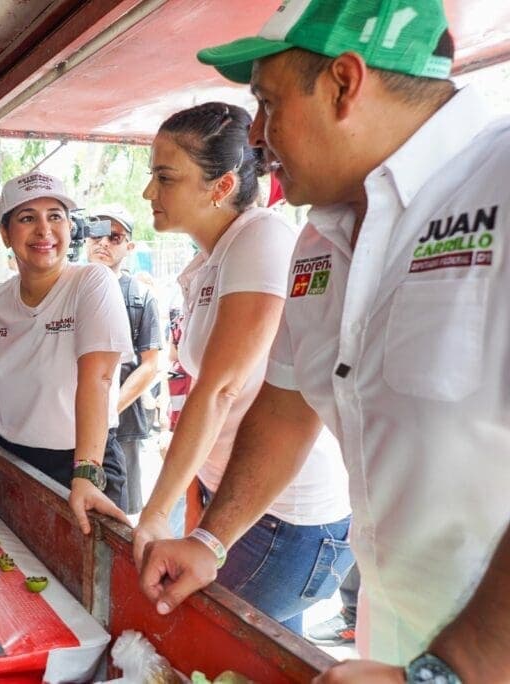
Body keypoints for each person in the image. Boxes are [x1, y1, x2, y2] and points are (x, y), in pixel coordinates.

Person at [138, 2, 510, 681]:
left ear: (344, 83)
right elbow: (286, 404)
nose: (256, 135)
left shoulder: (502, 182)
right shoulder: (320, 239)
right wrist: (210, 539)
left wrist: (456, 670)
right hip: (401, 620)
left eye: (268, 102)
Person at [131, 102, 352, 635]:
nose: (148, 193)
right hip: (235, 502)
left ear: (221, 185)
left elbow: (223, 388)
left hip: (283, 516)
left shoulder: (262, 238)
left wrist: (155, 512)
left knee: (195, 642)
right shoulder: (210, 260)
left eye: (165, 177)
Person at [0, 172, 133, 534]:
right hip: (9, 456)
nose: (44, 231)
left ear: (70, 227)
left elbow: (99, 377)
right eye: (27, 218)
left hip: (80, 463)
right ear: (5, 233)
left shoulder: (92, 282)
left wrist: (86, 471)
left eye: (55, 216)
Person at [85, 209, 163, 516]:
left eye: (114, 237)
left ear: (129, 246)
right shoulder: (65, 287)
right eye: (96, 234)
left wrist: (107, 411)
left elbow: (150, 364)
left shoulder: (141, 297)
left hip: (121, 424)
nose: (103, 243)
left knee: (119, 512)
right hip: (69, 422)